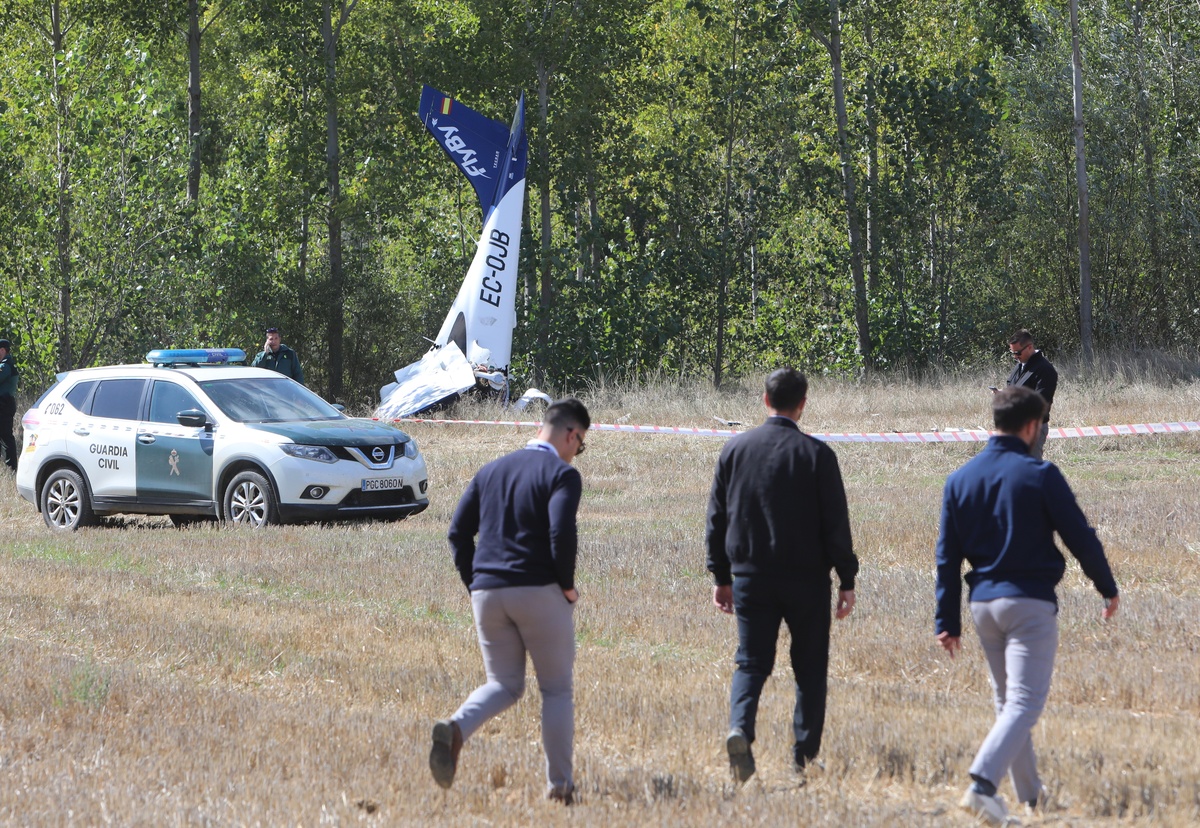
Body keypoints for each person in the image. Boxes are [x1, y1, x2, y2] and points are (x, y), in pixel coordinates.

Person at [935, 386, 1119, 826]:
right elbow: (1080, 536)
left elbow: (946, 557)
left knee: (1007, 702)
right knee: (1025, 703)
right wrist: (1107, 586)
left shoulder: (959, 479)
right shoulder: (1041, 474)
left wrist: (947, 620)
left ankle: (1032, 796)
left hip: (982, 604)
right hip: (1029, 604)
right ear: (1033, 426)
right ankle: (982, 784)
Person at [431, 397, 590, 804]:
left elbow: (456, 534)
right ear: (571, 434)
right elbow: (560, 533)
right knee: (555, 690)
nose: (577, 453)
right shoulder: (562, 475)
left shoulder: (490, 470)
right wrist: (567, 586)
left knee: (503, 684)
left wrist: (476, 584)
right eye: (580, 444)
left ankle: (456, 728)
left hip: (487, 593)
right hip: (537, 590)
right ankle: (560, 788)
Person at [706, 368, 858, 783]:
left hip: (751, 577)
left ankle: (740, 728)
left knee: (751, 662)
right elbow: (836, 525)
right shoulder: (818, 455)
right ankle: (803, 758)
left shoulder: (734, 450)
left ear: (764, 399)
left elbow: (717, 519)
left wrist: (720, 575)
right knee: (809, 668)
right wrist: (847, 578)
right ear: (803, 403)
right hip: (807, 580)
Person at [1003, 329, 1057, 460]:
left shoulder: (1045, 369)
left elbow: (1041, 403)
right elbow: (1012, 387)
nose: (1015, 356)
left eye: (1018, 353)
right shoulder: (1020, 365)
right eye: (1012, 353)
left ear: (1029, 347)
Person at [0, 339, 18, 472]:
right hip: (4, 404)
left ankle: (12, 468)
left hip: (3, 405)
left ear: (2, 350)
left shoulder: (5, 366)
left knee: (6, 437)